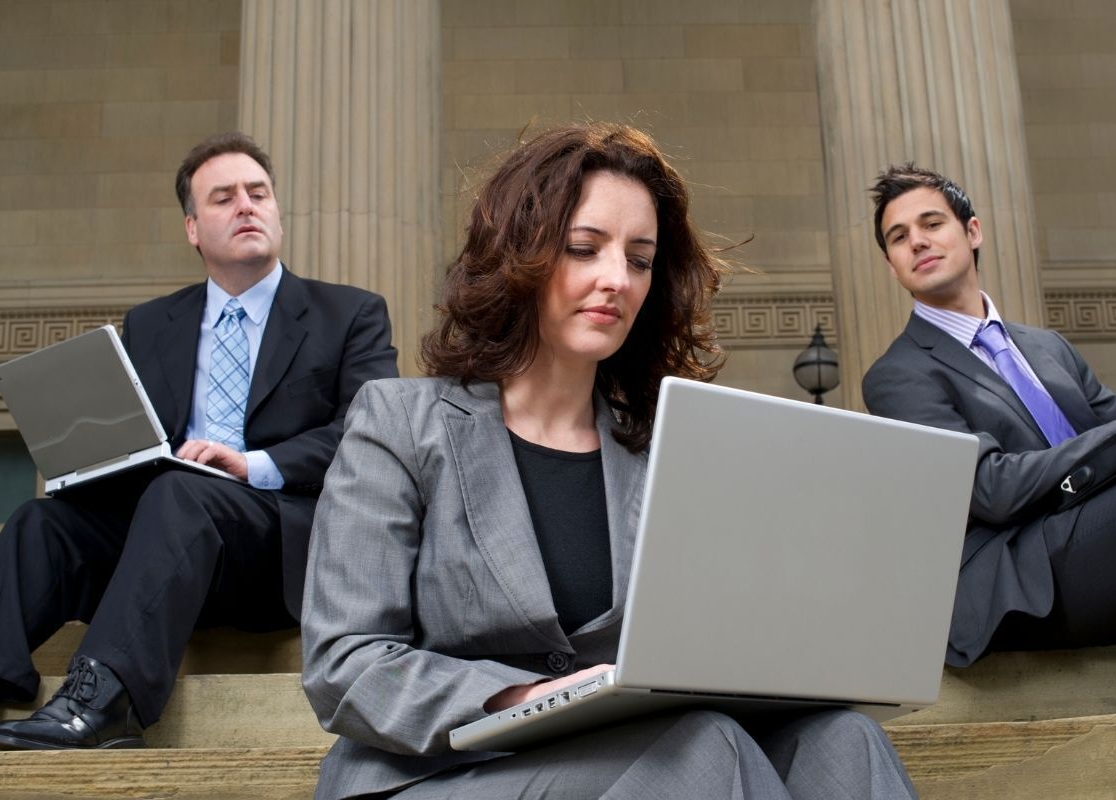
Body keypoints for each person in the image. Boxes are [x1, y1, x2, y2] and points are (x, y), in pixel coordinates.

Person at [301, 123, 918, 800]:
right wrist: (527, 696)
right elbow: (347, 662)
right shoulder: (397, 422)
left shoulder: (664, 447)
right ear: (521, 253)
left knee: (843, 739)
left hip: (639, 754)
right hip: (441, 773)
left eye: (641, 259)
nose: (616, 280)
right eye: (584, 249)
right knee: (698, 749)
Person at [0, 131, 399, 752]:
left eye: (259, 193)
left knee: (181, 494)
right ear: (193, 229)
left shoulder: (350, 314)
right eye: (224, 198)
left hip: (276, 546)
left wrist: (252, 465)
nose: (247, 205)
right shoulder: (150, 324)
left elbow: (371, 434)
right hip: (165, 547)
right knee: (44, 524)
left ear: (276, 211)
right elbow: (139, 443)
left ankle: (102, 699)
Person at [862, 163, 1116, 667]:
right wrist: (1107, 442)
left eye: (932, 224)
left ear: (972, 231)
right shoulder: (898, 375)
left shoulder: (1047, 346)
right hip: (1029, 569)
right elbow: (990, 490)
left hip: (1108, 536)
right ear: (893, 266)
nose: (917, 241)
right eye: (899, 237)